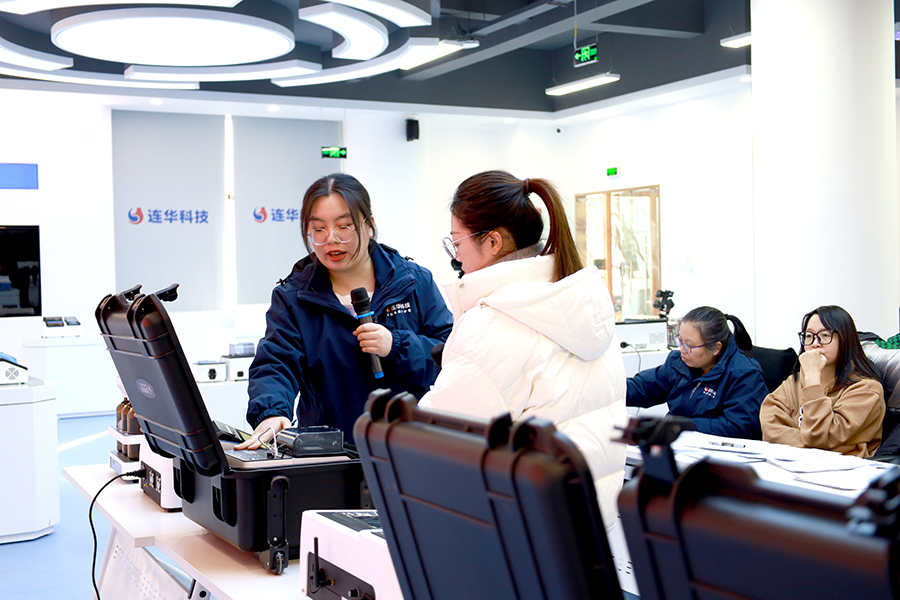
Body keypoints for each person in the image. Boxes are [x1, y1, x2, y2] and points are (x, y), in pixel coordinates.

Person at [418, 170, 628, 529]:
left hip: (525, 530)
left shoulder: (494, 324)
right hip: (590, 524)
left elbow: (436, 438)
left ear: (493, 242)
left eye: (457, 243)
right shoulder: (580, 305)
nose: (457, 257)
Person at [238, 173, 453, 448]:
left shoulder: (413, 282)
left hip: (411, 450)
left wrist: (396, 345)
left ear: (369, 226)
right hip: (331, 454)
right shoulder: (294, 297)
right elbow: (276, 363)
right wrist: (272, 412)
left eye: (344, 226)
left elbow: (451, 357)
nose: (331, 239)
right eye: (318, 229)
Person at [760, 305, 884, 457]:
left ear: (845, 339)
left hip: (841, 468)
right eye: (809, 336)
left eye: (825, 335)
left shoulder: (867, 389)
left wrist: (813, 379)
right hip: (792, 463)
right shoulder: (796, 381)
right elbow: (770, 428)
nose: (815, 343)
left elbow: (822, 436)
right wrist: (810, 441)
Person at [627, 307, 768, 439]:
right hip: (679, 441)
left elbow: (739, 426)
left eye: (689, 345)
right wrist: (615, 388)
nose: (682, 349)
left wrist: (684, 425)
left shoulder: (743, 373)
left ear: (716, 348)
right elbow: (645, 387)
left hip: (716, 449)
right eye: (680, 341)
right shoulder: (679, 362)